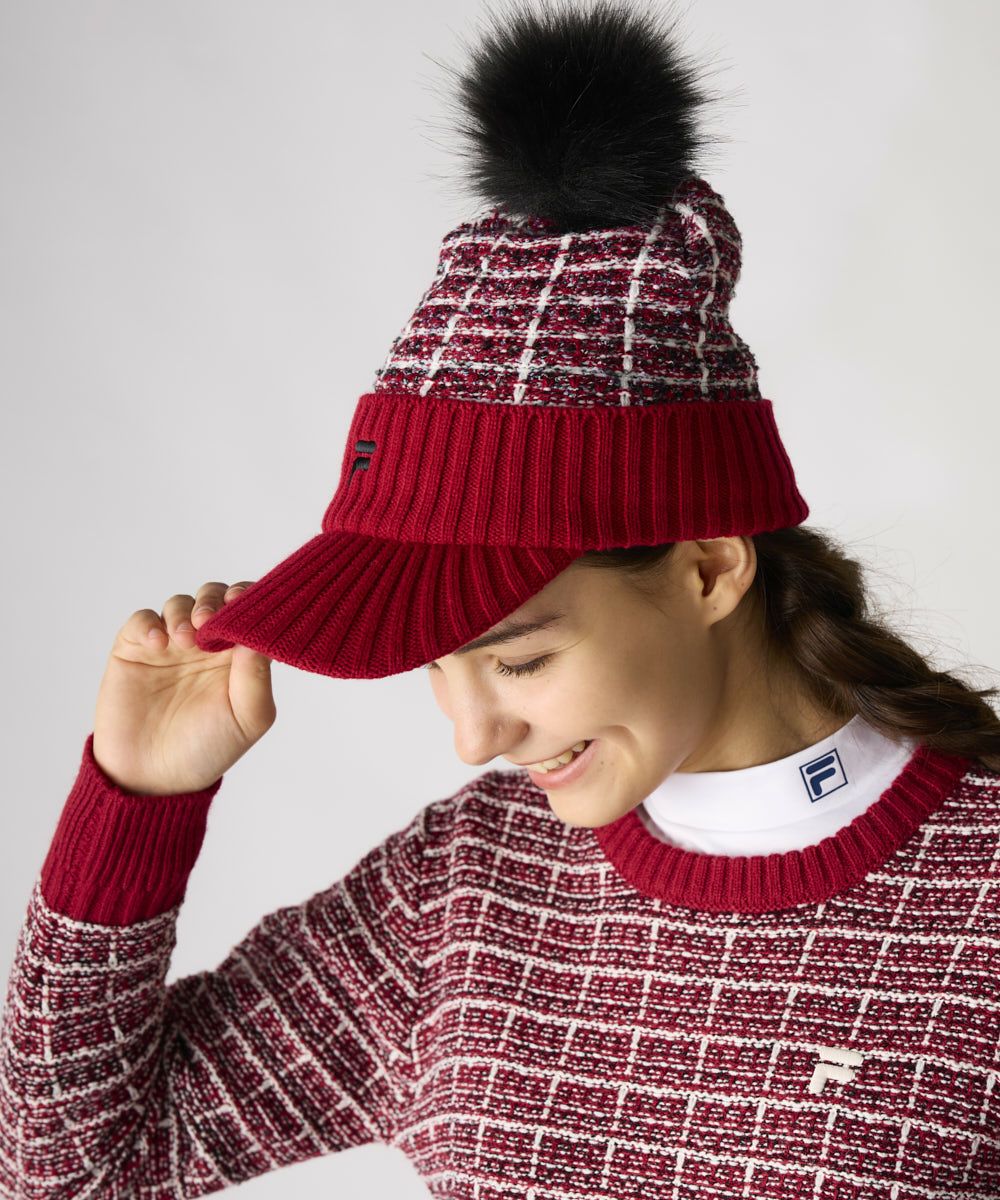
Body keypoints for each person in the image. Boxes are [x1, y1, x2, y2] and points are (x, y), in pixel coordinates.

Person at [3, 1, 1000, 1196]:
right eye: (438, 661)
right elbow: (77, 1170)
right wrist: (137, 802)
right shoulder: (463, 888)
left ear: (707, 566)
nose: (473, 738)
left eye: (517, 659)